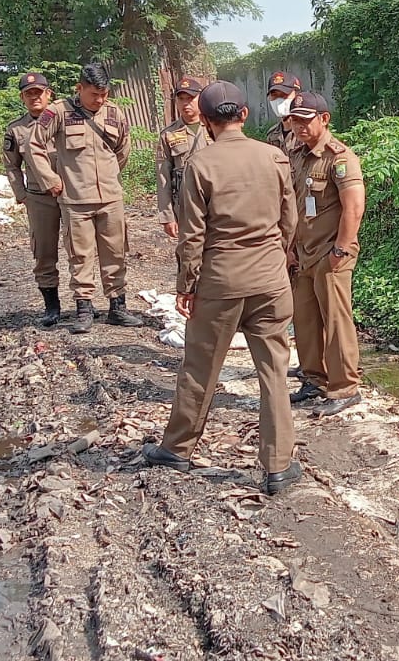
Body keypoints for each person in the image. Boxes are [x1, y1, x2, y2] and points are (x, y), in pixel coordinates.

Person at [144, 80, 302, 495]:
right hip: (270, 281)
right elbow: (290, 221)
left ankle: (178, 448)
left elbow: (192, 236)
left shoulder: (201, 164)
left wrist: (186, 285)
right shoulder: (275, 157)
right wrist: (275, 257)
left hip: (220, 282)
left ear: (208, 122)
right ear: (244, 116)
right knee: (273, 372)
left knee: (200, 368)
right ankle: (278, 466)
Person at [27, 62, 133, 334]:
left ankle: (117, 307)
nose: (100, 100)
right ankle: (84, 308)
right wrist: (50, 179)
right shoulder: (58, 112)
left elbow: (122, 150)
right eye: (94, 94)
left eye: (104, 94)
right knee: (80, 255)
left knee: (116, 252)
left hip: (110, 198)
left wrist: (109, 176)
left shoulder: (114, 113)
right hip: (75, 201)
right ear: (79, 88)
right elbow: (34, 145)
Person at [285, 91, 365, 417]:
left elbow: (354, 207)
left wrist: (340, 249)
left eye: (306, 120)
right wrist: (290, 248)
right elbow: (294, 206)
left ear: (324, 119)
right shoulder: (300, 156)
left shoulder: (340, 158)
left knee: (335, 321)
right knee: (304, 320)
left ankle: (345, 387)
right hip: (304, 252)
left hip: (331, 253)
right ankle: (313, 379)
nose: (300, 127)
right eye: (295, 121)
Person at [1, 71, 66, 328]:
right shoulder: (16, 130)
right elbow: (11, 166)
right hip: (39, 198)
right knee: (44, 251)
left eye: (39, 93)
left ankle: (84, 304)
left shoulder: (65, 121)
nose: (35, 98)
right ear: (22, 98)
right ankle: (52, 306)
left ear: (49, 94)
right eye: (29, 94)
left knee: (79, 249)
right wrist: (22, 195)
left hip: (70, 194)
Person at [156, 75, 210, 240]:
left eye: (191, 98)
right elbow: (163, 177)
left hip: (214, 201)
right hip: (185, 206)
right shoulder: (168, 134)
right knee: (188, 254)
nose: (186, 103)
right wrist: (167, 216)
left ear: (200, 99)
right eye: (181, 99)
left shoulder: (214, 126)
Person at [262, 70, 301, 154]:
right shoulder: (272, 134)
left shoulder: (306, 131)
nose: (279, 100)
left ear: (297, 95)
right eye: (274, 96)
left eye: (284, 95)